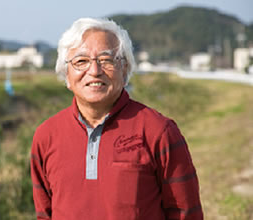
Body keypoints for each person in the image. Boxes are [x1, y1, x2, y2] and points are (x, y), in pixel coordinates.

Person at [30, 18, 203, 219]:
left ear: (125, 69)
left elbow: (186, 213)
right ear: (66, 75)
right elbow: (44, 214)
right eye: (81, 61)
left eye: (106, 60)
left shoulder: (159, 131)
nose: (94, 71)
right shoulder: (46, 136)